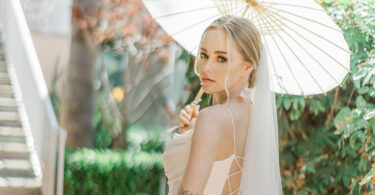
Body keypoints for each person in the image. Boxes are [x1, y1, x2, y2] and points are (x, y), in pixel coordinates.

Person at [175, 15, 282, 195]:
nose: (206, 67)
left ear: (247, 67)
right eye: (204, 55)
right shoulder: (255, 116)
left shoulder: (211, 119)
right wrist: (190, 134)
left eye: (221, 58)